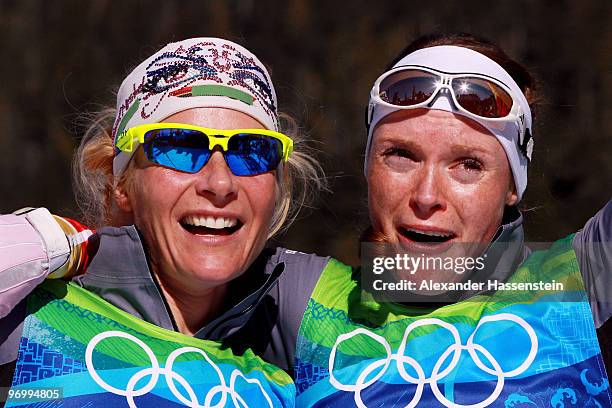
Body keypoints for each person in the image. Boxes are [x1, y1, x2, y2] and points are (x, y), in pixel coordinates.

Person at [2, 33, 611, 407]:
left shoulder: (574, 283)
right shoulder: (306, 302)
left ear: (513, 188)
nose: (428, 195)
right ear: (369, 168)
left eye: (469, 164)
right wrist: (57, 243)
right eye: (401, 156)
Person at [0, 37, 327, 407]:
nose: (219, 184)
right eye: (179, 147)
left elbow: (404, 288)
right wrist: (34, 239)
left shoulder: (311, 334)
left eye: (252, 151)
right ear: (119, 181)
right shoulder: (30, 325)